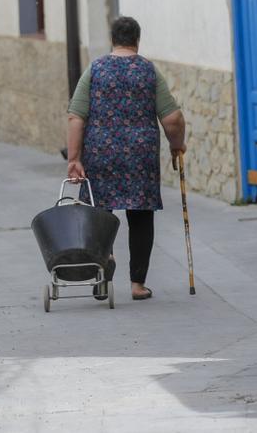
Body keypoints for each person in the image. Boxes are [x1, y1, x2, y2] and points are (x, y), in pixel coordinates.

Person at [66, 16, 186, 301]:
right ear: (137, 40)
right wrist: (176, 146)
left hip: (100, 154)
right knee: (141, 217)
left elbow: (76, 116)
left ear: (112, 39)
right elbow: (172, 118)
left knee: (100, 215)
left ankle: (102, 271)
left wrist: (74, 158)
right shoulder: (148, 71)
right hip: (140, 156)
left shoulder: (95, 69)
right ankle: (137, 285)